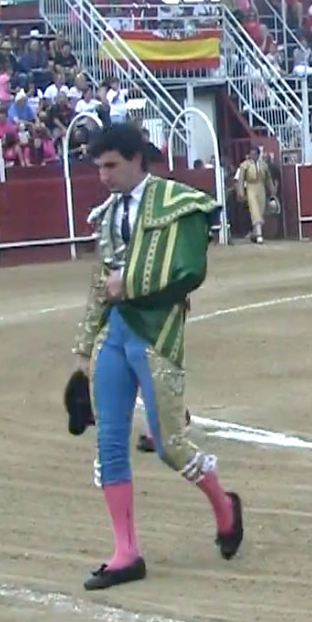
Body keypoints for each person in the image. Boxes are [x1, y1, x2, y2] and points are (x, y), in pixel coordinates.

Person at [70, 123, 243, 590]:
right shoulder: (108, 216)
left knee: (169, 445)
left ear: (136, 159)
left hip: (157, 334)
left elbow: (188, 271)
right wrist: (82, 356)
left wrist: (130, 285)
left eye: (111, 165)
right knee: (108, 445)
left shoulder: (178, 203)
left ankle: (224, 506)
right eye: (98, 167)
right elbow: (99, 283)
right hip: (116, 334)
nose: (103, 176)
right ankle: (126, 552)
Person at [236, 147, 274, 244]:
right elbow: (240, 179)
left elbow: (268, 179)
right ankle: (259, 235)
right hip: (251, 188)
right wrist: (240, 192)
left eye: (254, 154)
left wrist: (272, 191)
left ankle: (254, 233)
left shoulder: (263, 165)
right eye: (251, 154)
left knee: (260, 211)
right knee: (254, 210)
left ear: (258, 155)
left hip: (261, 188)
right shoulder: (245, 165)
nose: (252, 156)